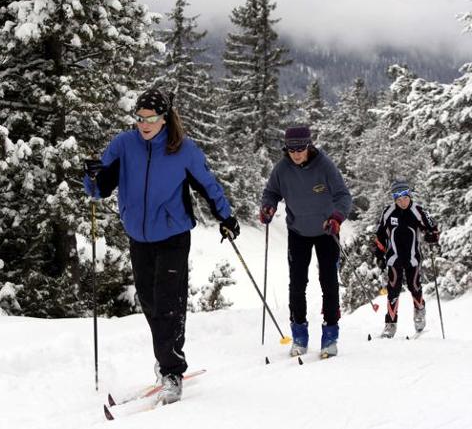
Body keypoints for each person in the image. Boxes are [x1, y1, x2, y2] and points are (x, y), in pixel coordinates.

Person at [83, 88, 239, 405]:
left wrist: (226, 216)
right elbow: (99, 189)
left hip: (172, 235)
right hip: (138, 237)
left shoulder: (183, 150)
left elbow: (208, 186)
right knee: (151, 303)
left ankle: (171, 371)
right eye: (140, 118)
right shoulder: (124, 145)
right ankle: (167, 356)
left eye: (151, 118)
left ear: (164, 118)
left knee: (169, 303)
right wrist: (92, 176)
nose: (144, 123)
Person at [259, 126, 352, 358]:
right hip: (298, 231)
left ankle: (330, 335)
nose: (297, 154)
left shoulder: (324, 166)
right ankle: (299, 335)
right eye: (292, 149)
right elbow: (271, 192)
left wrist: (337, 217)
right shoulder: (282, 169)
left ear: (309, 146)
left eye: (301, 148)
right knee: (297, 284)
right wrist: (268, 206)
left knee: (328, 282)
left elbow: (343, 196)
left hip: (326, 231)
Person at [372, 179, 439, 338]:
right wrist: (379, 254)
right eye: (398, 198)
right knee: (393, 291)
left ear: (410, 195)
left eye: (405, 197)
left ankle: (419, 312)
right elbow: (380, 235)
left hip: (412, 258)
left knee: (414, 286)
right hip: (393, 258)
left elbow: (432, 229)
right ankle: (390, 324)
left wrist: (431, 236)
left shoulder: (418, 211)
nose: (402, 201)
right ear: (394, 199)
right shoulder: (388, 212)